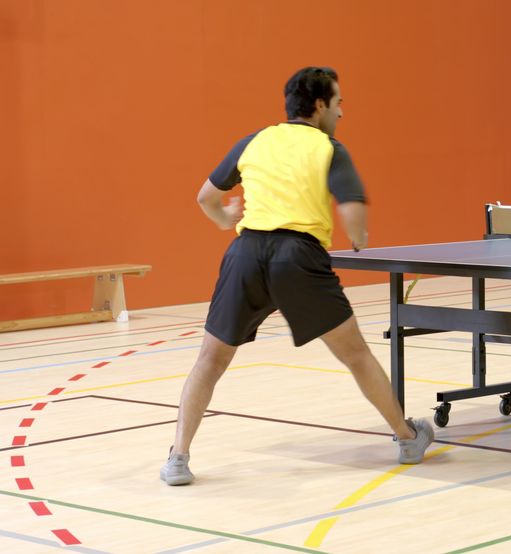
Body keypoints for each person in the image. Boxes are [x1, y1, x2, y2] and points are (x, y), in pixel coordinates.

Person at [160, 67, 434, 485]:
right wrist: (359, 238)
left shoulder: (254, 141)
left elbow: (206, 197)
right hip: (297, 257)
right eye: (339, 102)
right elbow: (354, 209)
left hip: (246, 253)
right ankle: (407, 437)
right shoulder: (329, 148)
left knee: (210, 359)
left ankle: (178, 458)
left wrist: (223, 219)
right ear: (320, 105)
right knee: (356, 355)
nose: (342, 111)